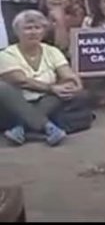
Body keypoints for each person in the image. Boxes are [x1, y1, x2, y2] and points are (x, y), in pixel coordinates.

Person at [0, 11, 90, 146]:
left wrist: (74, 83)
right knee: (2, 88)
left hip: (47, 100)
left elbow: (67, 74)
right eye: (28, 28)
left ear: (44, 31)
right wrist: (51, 88)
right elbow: (21, 81)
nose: (33, 32)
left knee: (72, 92)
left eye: (37, 28)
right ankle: (47, 127)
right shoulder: (6, 54)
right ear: (17, 32)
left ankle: (23, 128)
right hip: (18, 102)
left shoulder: (52, 51)